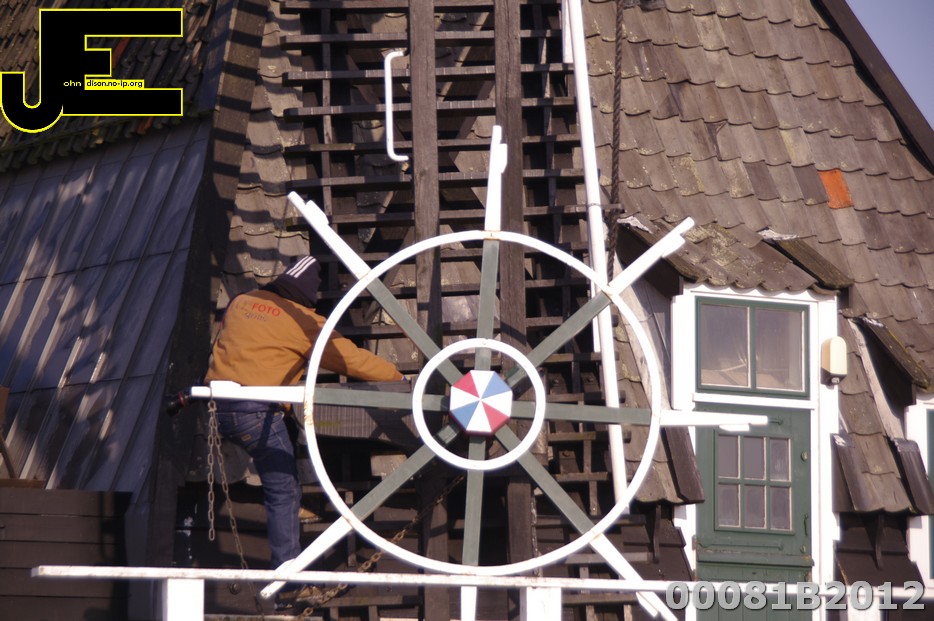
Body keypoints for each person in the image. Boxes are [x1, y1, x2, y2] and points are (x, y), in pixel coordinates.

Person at [204, 255, 403, 611]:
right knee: (282, 489)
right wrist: (399, 379)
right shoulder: (304, 321)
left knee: (289, 431)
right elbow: (350, 359)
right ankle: (289, 580)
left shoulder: (242, 301)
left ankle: (297, 514)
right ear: (309, 294)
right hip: (255, 412)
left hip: (219, 406)